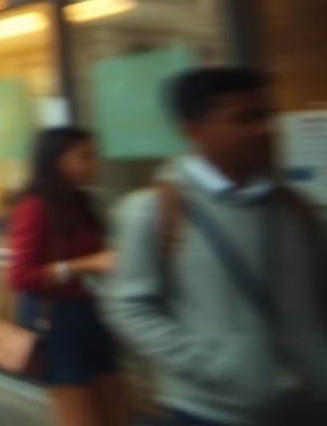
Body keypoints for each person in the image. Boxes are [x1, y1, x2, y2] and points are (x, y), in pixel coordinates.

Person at [106, 67, 327, 426]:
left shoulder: (295, 208)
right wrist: (217, 369)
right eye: (245, 119)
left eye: (266, 115)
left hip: (309, 407)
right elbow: (129, 307)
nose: (265, 129)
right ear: (195, 131)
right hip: (211, 412)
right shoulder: (154, 210)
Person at [8, 128, 125, 426]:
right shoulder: (35, 207)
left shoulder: (80, 203)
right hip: (57, 321)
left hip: (89, 316)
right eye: (84, 156)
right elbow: (20, 276)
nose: (93, 164)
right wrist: (85, 264)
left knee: (118, 413)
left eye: (93, 155)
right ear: (56, 161)